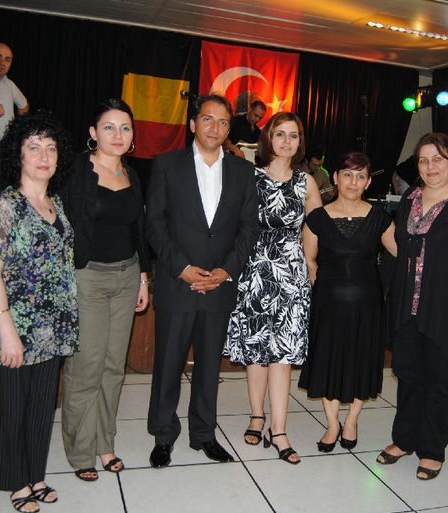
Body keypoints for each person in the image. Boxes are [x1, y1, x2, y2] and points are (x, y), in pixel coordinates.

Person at [0, 113, 77, 513]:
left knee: (41, 407)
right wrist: (7, 332)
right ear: (18, 155)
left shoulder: (54, 204)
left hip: (53, 328)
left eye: (51, 148)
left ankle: (35, 474)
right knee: (15, 407)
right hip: (16, 326)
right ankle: (15, 481)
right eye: (34, 148)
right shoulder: (5, 206)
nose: (44, 156)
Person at [145, 94, 259, 468]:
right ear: (193, 124)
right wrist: (181, 267)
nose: (215, 127)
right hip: (177, 281)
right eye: (208, 119)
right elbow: (155, 224)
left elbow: (248, 228)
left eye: (223, 122)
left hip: (219, 284)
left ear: (229, 129)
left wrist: (226, 271)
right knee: (168, 364)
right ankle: (163, 434)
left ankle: (204, 433)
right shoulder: (167, 165)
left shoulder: (243, 172)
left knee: (210, 366)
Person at [378, 132, 448, 480]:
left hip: (446, 308)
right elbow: (397, 247)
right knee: (408, 375)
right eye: (424, 160)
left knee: (440, 380)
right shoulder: (410, 197)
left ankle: (431, 449)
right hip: (407, 306)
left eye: (438, 159)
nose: (430, 167)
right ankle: (404, 439)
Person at [60, 99, 150, 482]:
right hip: (88, 278)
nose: (118, 135)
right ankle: (81, 450)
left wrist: (143, 277)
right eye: (109, 127)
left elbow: (138, 231)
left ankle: (104, 441)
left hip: (126, 277)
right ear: (93, 133)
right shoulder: (74, 171)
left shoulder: (132, 174)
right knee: (86, 367)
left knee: (114, 367)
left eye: (125, 128)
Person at [224, 111, 322, 465]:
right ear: (268, 138)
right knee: (256, 352)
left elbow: (314, 226)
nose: (286, 141)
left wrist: (311, 262)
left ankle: (278, 430)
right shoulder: (249, 176)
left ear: (300, 142)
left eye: (293, 135)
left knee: (283, 356)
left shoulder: (306, 182)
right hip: (253, 271)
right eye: (280, 134)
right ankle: (256, 415)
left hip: (290, 274)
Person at [298, 151, 396, 452]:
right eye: (348, 175)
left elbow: (401, 254)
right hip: (328, 304)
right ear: (336, 178)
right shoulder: (316, 219)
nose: (353, 182)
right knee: (328, 360)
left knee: (361, 361)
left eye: (361, 176)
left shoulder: (380, 219)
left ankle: (352, 420)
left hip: (368, 305)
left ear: (368, 182)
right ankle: (332, 424)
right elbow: (309, 261)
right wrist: (323, 290)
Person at [0, 42, 30, 199]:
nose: (2, 62)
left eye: (7, 59)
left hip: (7, 146)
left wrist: (18, 129)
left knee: (7, 189)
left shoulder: (9, 84)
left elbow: (24, 105)